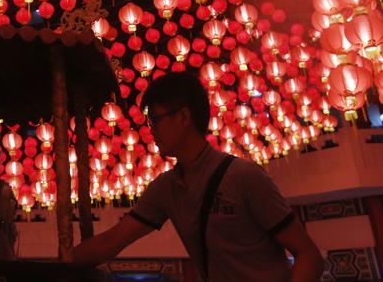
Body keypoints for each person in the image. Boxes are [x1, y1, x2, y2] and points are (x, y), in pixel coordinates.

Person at [72, 73, 323, 281]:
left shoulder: (243, 177)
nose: (151, 131)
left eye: (155, 121)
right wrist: (60, 263)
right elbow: (111, 241)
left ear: (183, 117)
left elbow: (308, 254)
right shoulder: (166, 189)